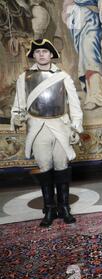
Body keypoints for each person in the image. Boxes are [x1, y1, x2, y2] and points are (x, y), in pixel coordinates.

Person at [10, 38, 83, 227]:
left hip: (60, 126)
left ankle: (64, 207)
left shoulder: (63, 76)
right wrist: (16, 117)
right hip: (37, 126)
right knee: (44, 167)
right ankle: (49, 208)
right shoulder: (24, 77)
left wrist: (76, 126)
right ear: (33, 55)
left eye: (45, 51)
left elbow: (74, 104)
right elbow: (19, 103)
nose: (41, 54)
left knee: (61, 166)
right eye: (38, 52)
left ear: (51, 55)